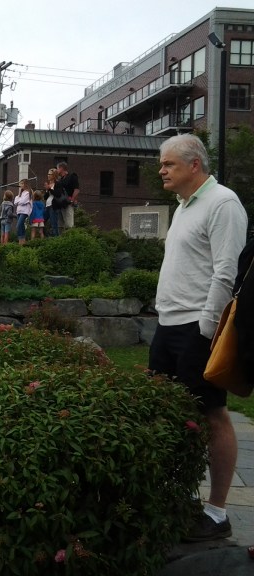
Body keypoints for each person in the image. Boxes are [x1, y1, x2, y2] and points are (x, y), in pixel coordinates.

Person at [149, 133, 247, 542]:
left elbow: (227, 271)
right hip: (168, 324)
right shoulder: (185, 206)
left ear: (194, 165)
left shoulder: (223, 202)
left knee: (211, 414)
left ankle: (217, 511)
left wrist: (207, 329)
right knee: (165, 411)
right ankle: (182, 496)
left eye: (168, 164)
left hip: (197, 327)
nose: (161, 171)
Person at [56, 161, 79, 232]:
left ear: (61, 168)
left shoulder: (72, 176)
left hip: (68, 203)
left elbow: (76, 189)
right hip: (61, 204)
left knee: (69, 224)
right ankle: (62, 240)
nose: (57, 170)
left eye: (57, 168)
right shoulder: (60, 179)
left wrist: (72, 200)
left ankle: (70, 238)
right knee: (60, 224)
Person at [14, 179, 33, 245]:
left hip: (24, 211)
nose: (20, 185)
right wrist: (19, 200)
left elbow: (23, 201)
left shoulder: (28, 193)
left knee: (18, 225)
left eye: (22, 184)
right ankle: (22, 241)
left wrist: (19, 200)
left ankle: (22, 240)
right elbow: (15, 202)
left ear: (26, 184)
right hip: (19, 211)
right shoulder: (20, 193)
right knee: (21, 226)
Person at [44, 169, 60, 237]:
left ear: (54, 175)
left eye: (50, 174)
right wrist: (47, 190)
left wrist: (50, 189)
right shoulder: (49, 184)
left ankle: (56, 239)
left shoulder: (57, 184)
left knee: (54, 224)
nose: (48, 175)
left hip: (53, 206)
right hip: (47, 205)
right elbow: (45, 197)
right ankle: (48, 236)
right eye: (48, 174)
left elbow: (58, 194)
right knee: (42, 222)